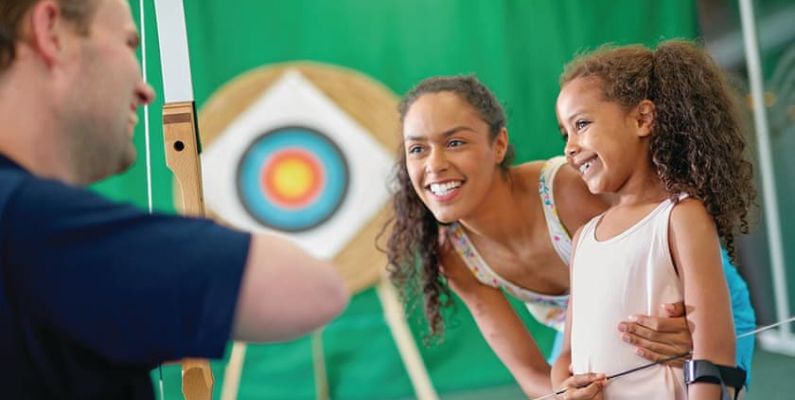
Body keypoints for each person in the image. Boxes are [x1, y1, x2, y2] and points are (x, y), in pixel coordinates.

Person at [0, 0, 349, 398]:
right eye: (129, 43)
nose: (146, 90)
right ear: (51, 32)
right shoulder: (30, 223)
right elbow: (314, 290)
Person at [383, 74, 755, 397]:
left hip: (690, 305)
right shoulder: (456, 256)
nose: (435, 164)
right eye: (417, 149)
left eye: (455, 143)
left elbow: (674, 232)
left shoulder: (570, 190)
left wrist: (698, 333)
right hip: (585, 337)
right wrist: (564, 393)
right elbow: (531, 372)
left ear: (498, 145)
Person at [549, 40, 754, 399]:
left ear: (642, 119)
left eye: (581, 124)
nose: (570, 147)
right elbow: (565, 357)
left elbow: (714, 351)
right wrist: (563, 390)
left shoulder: (681, 217)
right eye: (565, 133)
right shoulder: (583, 238)